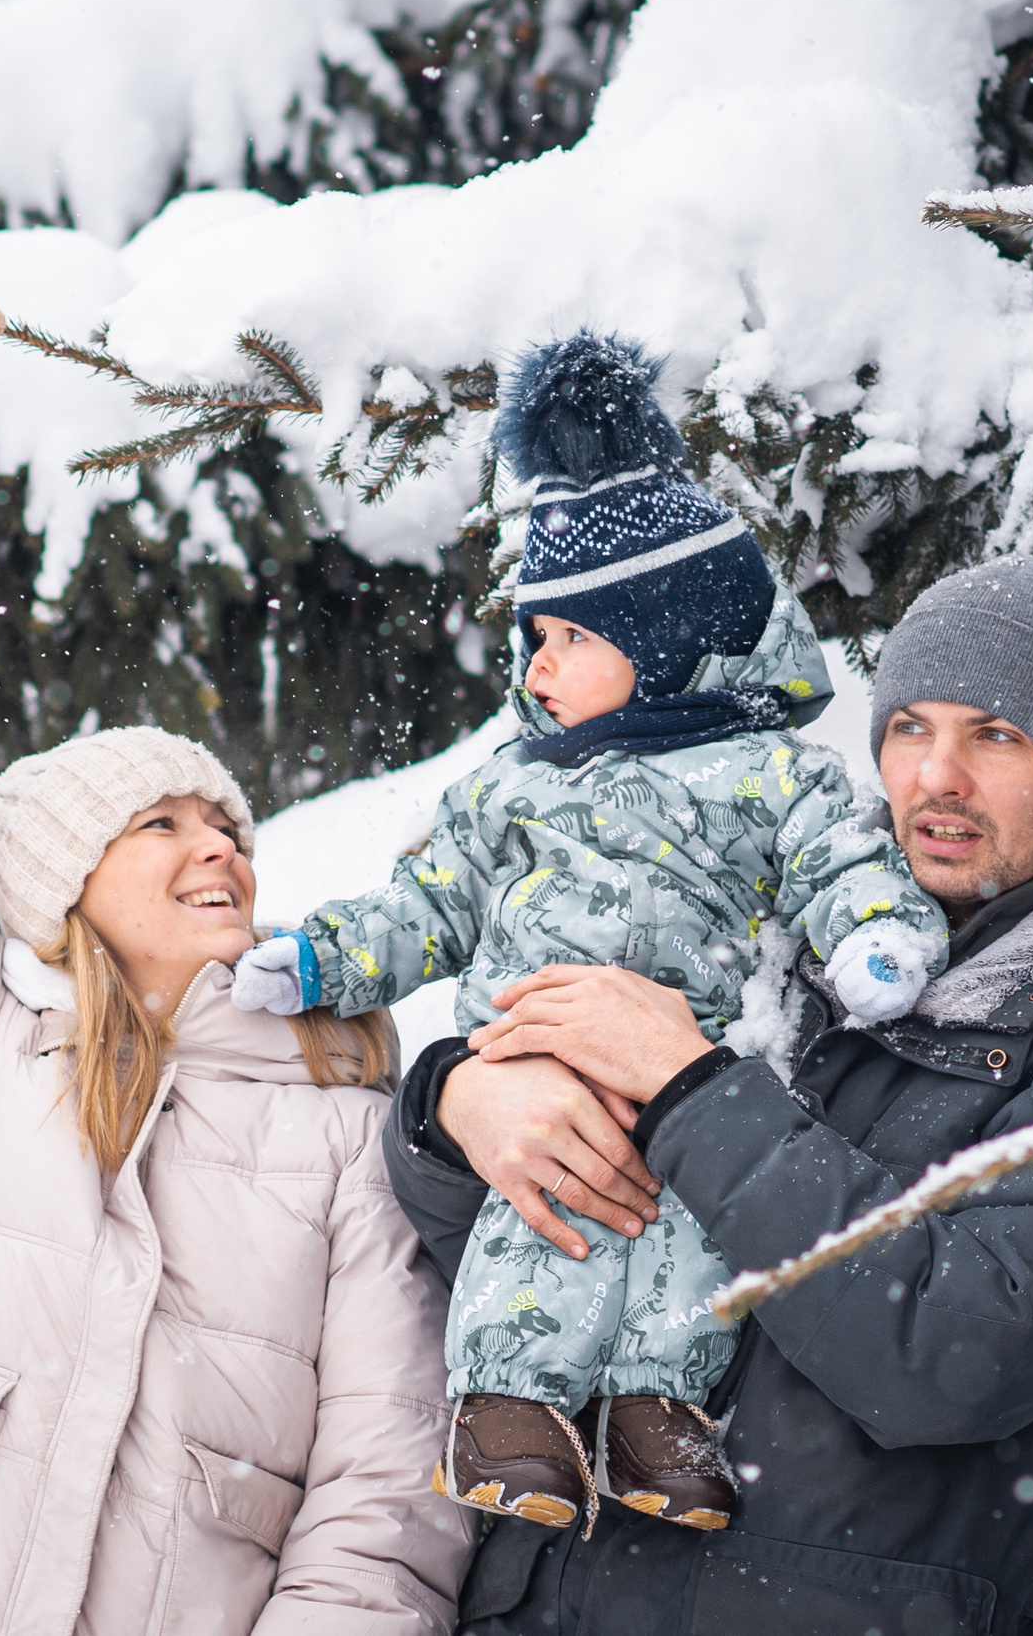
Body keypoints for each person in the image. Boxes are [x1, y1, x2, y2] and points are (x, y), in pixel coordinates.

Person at [0, 268, 475, 1636]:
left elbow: (384, 1489)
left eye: (229, 823)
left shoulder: (340, 1128)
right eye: (159, 822)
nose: (218, 847)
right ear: (68, 886)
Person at [383, 555, 1033, 1635]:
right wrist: (455, 1111)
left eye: (995, 736)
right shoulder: (773, 928)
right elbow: (517, 1250)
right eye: (909, 728)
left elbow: (955, 1351)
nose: (937, 776)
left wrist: (690, 1090)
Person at [230, 333, 946, 1536]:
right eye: (533, 641)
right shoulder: (511, 787)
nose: (538, 667)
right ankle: (510, 1409)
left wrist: (876, 938)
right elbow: (434, 903)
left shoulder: (770, 775)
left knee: (688, 1247)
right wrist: (326, 957)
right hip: (536, 1063)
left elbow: (843, 865)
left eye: (570, 639)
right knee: (543, 1224)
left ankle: (657, 1419)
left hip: (693, 1068)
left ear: (664, 642)